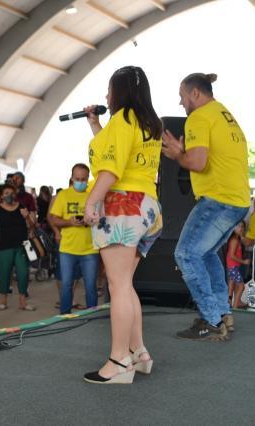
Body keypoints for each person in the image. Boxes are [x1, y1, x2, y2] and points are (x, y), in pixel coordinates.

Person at [81, 66, 163, 384]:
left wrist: (92, 201)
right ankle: (138, 352)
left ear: (120, 91)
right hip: (147, 207)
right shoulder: (147, 122)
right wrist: (95, 124)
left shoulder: (123, 118)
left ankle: (118, 362)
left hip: (122, 206)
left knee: (117, 287)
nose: (106, 96)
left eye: (109, 89)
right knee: (125, 285)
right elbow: (116, 151)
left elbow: (111, 167)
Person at [162, 72, 250, 341]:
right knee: (208, 254)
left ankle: (211, 320)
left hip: (217, 199)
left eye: (182, 96)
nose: (181, 103)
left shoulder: (198, 117)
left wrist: (178, 154)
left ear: (195, 94)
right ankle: (223, 314)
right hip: (237, 200)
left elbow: (198, 162)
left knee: (186, 255)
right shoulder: (224, 114)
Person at [49, 164, 99, 314]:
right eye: (77, 179)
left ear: (88, 178)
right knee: (66, 285)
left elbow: (102, 219)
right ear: (72, 178)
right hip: (67, 249)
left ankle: (91, 315)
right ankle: (65, 315)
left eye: (84, 179)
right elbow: (53, 219)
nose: (81, 182)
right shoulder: (63, 195)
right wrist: (69, 222)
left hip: (90, 249)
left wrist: (90, 220)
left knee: (91, 286)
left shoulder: (94, 195)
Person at [0, 184, 34, 311]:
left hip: (22, 246)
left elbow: (32, 227)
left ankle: (23, 302)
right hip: (3, 246)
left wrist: (27, 216)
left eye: (12, 193)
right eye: (6, 193)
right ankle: (3, 301)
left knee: (23, 273)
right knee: (5, 273)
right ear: (1, 196)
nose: (9, 195)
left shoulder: (21, 207)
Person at [226, 222, 249, 309]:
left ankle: (235, 302)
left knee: (234, 284)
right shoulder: (234, 240)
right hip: (233, 267)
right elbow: (231, 255)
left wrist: (242, 236)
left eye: (242, 227)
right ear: (233, 228)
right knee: (241, 286)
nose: (241, 228)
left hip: (234, 267)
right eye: (238, 226)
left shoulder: (237, 239)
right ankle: (235, 306)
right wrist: (243, 262)